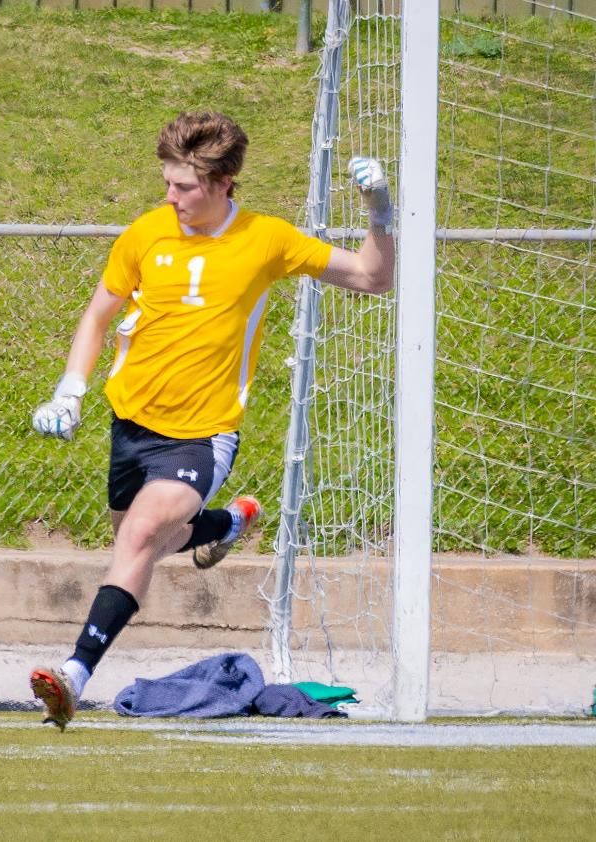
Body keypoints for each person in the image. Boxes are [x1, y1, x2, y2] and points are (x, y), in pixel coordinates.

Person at [29, 111, 395, 730]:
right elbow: (97, 317)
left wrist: (379, 211)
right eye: (168, 183)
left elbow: (373, 277)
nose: (171, 197)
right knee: (140, 541)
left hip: (203, 431)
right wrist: (71, 391)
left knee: (141, 536)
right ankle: (228, 522)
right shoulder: (145, 233)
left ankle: (74, 674)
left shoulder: (266, 240)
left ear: (225, 181)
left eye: (185, 186)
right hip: (131, 424)